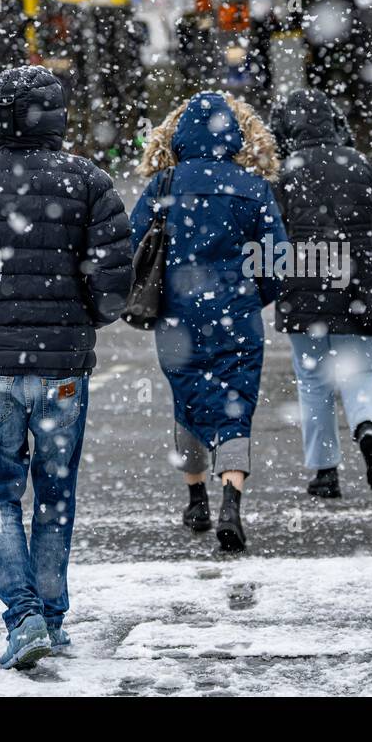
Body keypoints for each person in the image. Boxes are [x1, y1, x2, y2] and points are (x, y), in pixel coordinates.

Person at [0, 66, 132, 670]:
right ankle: (52, 616)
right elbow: (114, 283)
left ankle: (23, 615)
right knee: (56, 495)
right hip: (63, 367)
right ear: (57, 115)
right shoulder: (88, 180)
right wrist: (80, 317)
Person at [130, 91, 285, 551]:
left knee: (189, 398)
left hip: (177, 314)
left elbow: (134, 247)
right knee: (235, 404)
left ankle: (195, 497)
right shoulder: (252, 187)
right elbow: (277, 258)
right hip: (236, 311)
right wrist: (255, 297)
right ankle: (231, 502)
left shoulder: (163, 185)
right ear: (232, 136)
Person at [268, 88, 372, 498]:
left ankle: (325, 472)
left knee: (312, 381)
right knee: (360, 370)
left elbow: (275, 233)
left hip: (302, 284)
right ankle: (367, 429)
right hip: (355, 283)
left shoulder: (284, 171)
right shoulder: (358, 163)